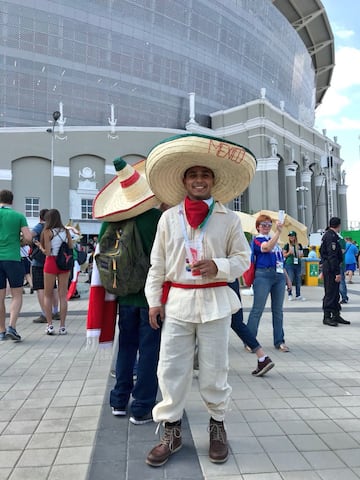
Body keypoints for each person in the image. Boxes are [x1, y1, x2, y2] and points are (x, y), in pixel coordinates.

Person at [144, 133, 256, 467]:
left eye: (204, 175)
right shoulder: (168, 218)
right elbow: (158, 265)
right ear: (184, 181)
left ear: (213, 181)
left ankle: (217, 426)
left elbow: (243, 260)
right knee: (171, 369)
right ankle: (172, 431)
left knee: (214, 369)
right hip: (178, 301)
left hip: (215, 302)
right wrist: (154, 301)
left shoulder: (229, 219)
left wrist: (219, 266)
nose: (199, 180)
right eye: (193, 175)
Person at [91, 158, 162, 425]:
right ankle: (142, 406)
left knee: (126, 348)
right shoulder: (156, 219)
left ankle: (119, 401)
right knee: (150, 351)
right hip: (150, 298)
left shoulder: (109, 223)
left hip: (123, 296)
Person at [246, 214, 289, 352]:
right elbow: (266, 248)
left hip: (278, 275)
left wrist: (287, 279)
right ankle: (250, 340)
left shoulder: (273, 239)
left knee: (278, 310)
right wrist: (278, 232)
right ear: (258, 227)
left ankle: (279, 340)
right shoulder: (257, 240)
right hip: (263, 275)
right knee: (257, 309)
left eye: (269, 225)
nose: (266, 227)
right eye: (263, 225)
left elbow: (280, 260)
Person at [0, 189, 32, 341]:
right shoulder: (18, 216)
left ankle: (1, 330)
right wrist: (20, 242)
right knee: (16, 294)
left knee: (0, 297)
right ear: (11, 201)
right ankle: (12, 327)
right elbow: (28, 237)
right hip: (13, 258)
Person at [36, 208, 73, 335]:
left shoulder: (47, 231)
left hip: (51, 262)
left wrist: (40, 246)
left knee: (48, 294)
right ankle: (62, 327)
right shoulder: (66, 231)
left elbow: (47, 251)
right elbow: (71, 246)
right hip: (64, 262)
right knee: (63, 295)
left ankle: (50, 325)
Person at [229, 279, 274, 376]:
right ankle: (262, 357)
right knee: (237, 323)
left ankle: (200, 358)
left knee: (210, 323)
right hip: (231, 283)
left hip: (218, 286)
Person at [320, 217, 350, 327]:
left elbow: (321, 252)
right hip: (331, 268)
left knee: (335, 292)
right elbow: (332, 255)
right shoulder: (331, 237)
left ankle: (336, 314)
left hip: (330, 266)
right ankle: (327, 316)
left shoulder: (329, 235)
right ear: (338, 225)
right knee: (330, 292)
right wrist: (337, 272)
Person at [31, 209, 60, 323]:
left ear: (40, 217)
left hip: (38, 262)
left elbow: (30, 236)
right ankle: (55, 311)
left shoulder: (39, 227)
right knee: (53, 288)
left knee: (40, 288)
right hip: (51, 260)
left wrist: (33, 242)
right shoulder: (54, 229)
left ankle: (44, 313)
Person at [283, 231, 305, 301]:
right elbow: (284, 254)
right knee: (290, 279)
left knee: (298, 279)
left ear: (295, 237)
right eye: (290, 236)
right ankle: (290, 294)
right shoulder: (287, 245)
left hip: (297, 263)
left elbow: (302, 255)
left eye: (292, 236)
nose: (291, 237)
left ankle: (298, 294)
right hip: (289, 264)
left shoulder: (299, 245)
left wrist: (300, 254)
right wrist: (289, 252)